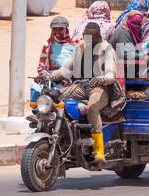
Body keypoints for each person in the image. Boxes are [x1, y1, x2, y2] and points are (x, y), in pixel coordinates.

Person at [50, 22, 126, 165]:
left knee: (92, 107)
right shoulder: (80, 47)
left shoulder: (107, 49)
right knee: (55, 98)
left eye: (92, 36)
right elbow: (66, 68)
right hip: (80, 86)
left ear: (99, 36)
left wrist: (101, 78)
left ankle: (99, 151)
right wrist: (50, 76)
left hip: (100, 88)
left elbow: (111, 74)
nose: (89, 39)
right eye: (87, 36)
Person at [36, 15, 75, 84]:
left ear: (66, 29)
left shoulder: (74, 46)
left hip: (67, 80)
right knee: (35, 87)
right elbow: (41, 67)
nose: (57, 32)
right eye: (55, 29)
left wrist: (67, 79)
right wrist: (43, 77)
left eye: (60, 29)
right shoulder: (48, 45)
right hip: (48, 78)